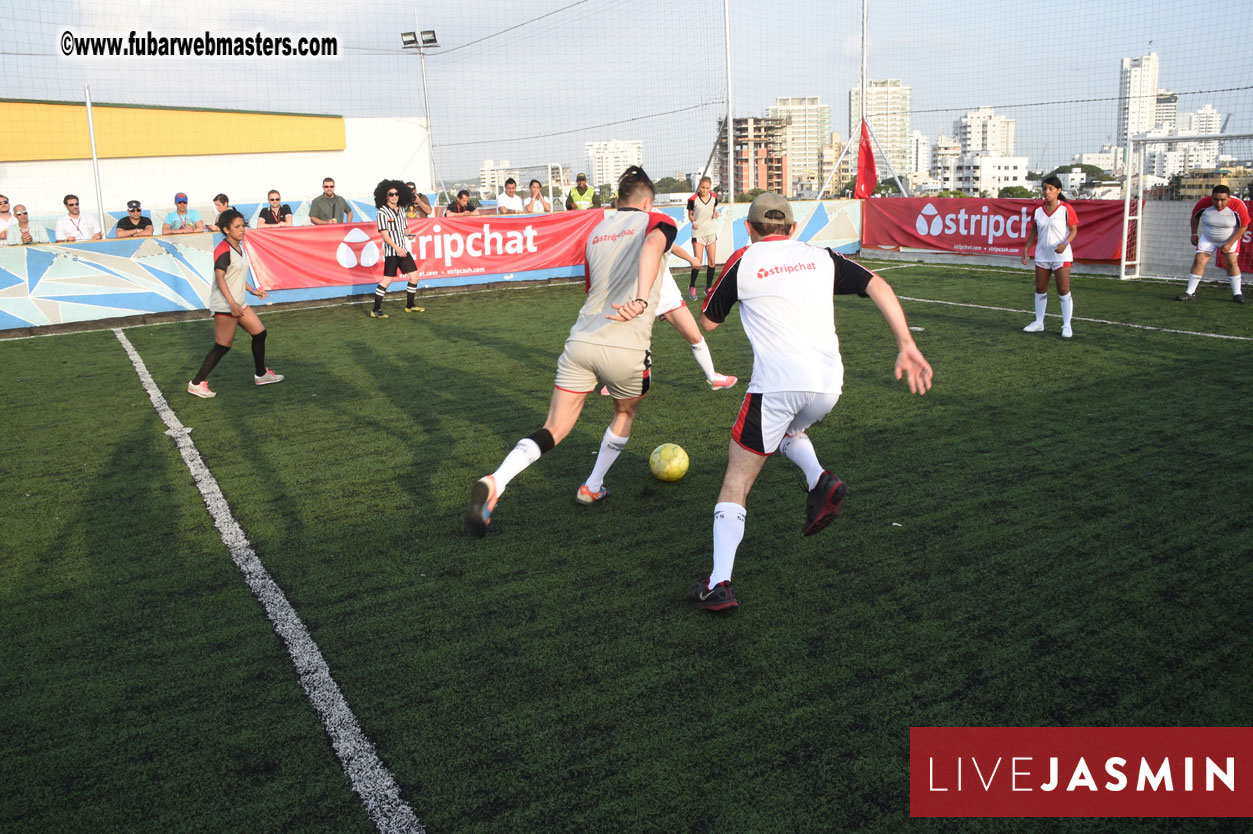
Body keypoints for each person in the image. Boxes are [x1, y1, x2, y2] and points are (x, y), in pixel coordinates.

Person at [687, 192, 933, 611]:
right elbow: (878, 284)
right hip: (828, 387)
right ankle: (819, 479)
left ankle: (719, 582)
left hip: (776, 387)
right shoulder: (822, 257)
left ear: (748, 228)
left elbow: (707, 323)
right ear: (794, 229)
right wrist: (906, 343)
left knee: (737, 479)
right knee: (788, 431)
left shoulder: (743, 260)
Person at [467, 165, 675, 537]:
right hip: (625, 345)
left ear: (616, 201)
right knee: (625, 411)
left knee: (554, 428)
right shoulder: (655, 220)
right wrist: (643, 299)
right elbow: (653, 245)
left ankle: (496, 480)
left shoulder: (596, 231)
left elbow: (593, 288)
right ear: (646, 202)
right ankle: (592, 486)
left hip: (580, 340)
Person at [598, 242, 737, 394]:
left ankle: (713, 377)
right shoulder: (627, 236)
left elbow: (674, 247)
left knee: (695, 336)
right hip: (637, 297)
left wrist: (691, 259)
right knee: (625, 338)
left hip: (666, 295)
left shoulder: (657, 230)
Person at [187, 209, 283, 398]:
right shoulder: (223, 249)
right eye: (237, 227)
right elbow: (220, 278)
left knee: (260, 333)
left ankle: (261, 374)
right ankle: (196, 383)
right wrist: (231, 303)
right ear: (226, 229)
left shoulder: (238, 247)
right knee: (222, 346)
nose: (242, 230)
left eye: (243, 226)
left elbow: (236, 276)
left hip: (238, 302)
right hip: (225, 305)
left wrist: (252, 290)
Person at [1020, 175, 1079, 337]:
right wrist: (1026, 248)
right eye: (1044, 188)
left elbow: (1074, 230)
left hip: (1062, 256)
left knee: (1063, 290)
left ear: (1059, 190)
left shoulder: (1066, 209)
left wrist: (1065, 244)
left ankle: (1067, 325)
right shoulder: (1038, 210)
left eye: (1051, 189)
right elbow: (1034, 230)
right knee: (1040, 289)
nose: (1047, 192)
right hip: (1042, 256)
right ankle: (1039, 322)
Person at [1177, 184, 1249, 304]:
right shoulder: (1204, 203)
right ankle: (1190, 292)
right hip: (1208, 238)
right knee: (1199, 260)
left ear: (1229, 198)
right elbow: (1194, 217)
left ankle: (1237, 294)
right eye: (1215, 199)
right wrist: (1194, 234)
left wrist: (1229, 244)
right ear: (1212, 198)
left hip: (1229, 238)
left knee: (1231, 263)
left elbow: (1244, 226)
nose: (1219, 203)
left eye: (1222, 200)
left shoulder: (1238, 205)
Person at [370, 178, 425, 317]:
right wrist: (397, 248)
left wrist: (409, 235)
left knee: (414, 276)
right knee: (387, 280)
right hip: (392, 252)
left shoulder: (401, 210)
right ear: (385, 196)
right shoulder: (382, 212)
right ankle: (376, 309)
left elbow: (404, 229)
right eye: (391, 194)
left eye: (396, 194)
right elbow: (384, 235)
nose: (394, 196)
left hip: (403, 250)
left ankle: (410, 305)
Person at [687, 176, 720, 299]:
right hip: (698, 233)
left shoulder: (714, 197)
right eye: (702, 187)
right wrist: (693, 222)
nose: (704, 190)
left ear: (710, 188)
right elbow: (690, 214)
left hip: (711, 232)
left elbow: (714, 208)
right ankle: (692, 286)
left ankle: (708, 288)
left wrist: (715, 213)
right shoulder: (693, 199)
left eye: (707, 188)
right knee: (697, 262)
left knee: (712, 261)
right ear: (699, 186)